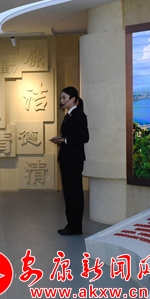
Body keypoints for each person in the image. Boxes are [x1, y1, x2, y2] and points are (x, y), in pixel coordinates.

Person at [50, 86, 90, 236]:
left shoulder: (79, 115)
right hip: (67, 158)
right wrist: (61, 140)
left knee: (74, 193)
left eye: (64, 98)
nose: (61, 100)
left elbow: (84, 137)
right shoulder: (69, 115)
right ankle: (71, 224)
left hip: (74, 160)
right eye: (61, 98)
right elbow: (72, 136)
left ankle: (75, 226)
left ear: (73, 99)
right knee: (68, 193)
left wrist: (64, 140)